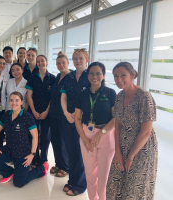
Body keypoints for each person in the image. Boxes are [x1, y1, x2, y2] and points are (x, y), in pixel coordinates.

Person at [106, 62, 158, 200]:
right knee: (113, 186)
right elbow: (117, 125)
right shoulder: (119, 96)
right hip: (123, 146)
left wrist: (131, 156)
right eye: (116, 76)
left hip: (141, 149)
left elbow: (146, 131)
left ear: (133, 75)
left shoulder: (144, 97)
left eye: (123, 75)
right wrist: (117, 152)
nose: (119, 79)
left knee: (133, 190)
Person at [0, 91, 49, 187]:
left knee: (19, 183)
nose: (13, 103)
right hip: (9, 150)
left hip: (23, 153)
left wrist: (32, 154)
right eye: (11, 100)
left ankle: (41, 169)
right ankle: (9, 173)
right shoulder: (7, 115)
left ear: (21, 102)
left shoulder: (27, 116)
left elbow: (35, 136)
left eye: (17, 100)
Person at [75, 62, 116, 200]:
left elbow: (116, 118)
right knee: (90, 176)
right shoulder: (82, 94)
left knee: (103, 177)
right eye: (91, 73)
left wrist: (101, 133)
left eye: (98, 73)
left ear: (103, 75)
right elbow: (77, 119)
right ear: (87, 75)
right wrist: (85, 140)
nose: (94, 76)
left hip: (106, 135)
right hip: (86, 135)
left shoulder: (110, 93)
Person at [60, 49, 89, 195]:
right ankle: (71, 181)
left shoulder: (91, 76)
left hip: (84, 121)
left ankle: (80, 185)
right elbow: (63, 97)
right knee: (71, 152)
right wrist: (65, 112)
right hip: (68, 119)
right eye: (75, 58)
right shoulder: (69, 76)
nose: (78, 61)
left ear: (86, 60)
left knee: (82, 153)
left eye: (81, 58)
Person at [25, 55, 56, 168]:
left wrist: (46, 111)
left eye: (42, 61)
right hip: (33, 111)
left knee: (45, 136)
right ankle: (35, 157)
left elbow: (53, 98)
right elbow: (29, 96)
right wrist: (33, 111)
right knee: (33, 135)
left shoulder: (52, 78)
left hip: (47, 112)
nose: (40, 63)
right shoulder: (32, 78)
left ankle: (44, 158)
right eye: (38, 61)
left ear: (46, 62)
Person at [48, 52, 71, 180]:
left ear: (68, 63)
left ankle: (65, 167)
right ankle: (58, 164)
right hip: (53, 114)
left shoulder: (71, 77)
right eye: (58, 63)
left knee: (63, 141)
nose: (61, 65)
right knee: (55, 140)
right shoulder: (57, 77)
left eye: (63, 63)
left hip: (65, 115)